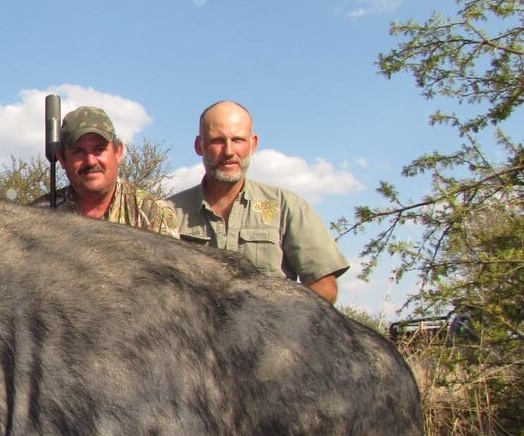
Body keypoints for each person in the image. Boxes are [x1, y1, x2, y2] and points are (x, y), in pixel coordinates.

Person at [167, 100, 348, 303]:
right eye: (217, 141)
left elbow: (324, 286)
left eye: (238, 140)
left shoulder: (287, 207)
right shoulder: (167, 213)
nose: (228, 151)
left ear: (253, 144)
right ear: (199, 146)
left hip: (272, 332)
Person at [34, 105, 177, 236]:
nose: (90, 161)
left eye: (99, 150)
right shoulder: (37, 216)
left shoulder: (155, 213)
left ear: (118, 152)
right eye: (78, 151)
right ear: (62, 158)